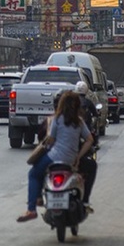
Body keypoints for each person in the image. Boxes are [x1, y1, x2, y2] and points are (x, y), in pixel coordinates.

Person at [18, 90, 93, 223]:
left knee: (34, 173)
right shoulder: (79, 122)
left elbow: (51, 139)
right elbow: (89, 140)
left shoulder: (57, 119)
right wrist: (78, 156)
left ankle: (32, 208)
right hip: (70, 160)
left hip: (54, 157)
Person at [73, 82, 100, 211]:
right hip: (74, 157)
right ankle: (85, 200)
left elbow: (47, 140)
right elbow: (89, 140)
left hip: (58, 158)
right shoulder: (87, 105)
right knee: (92, 166)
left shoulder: (54, 121)